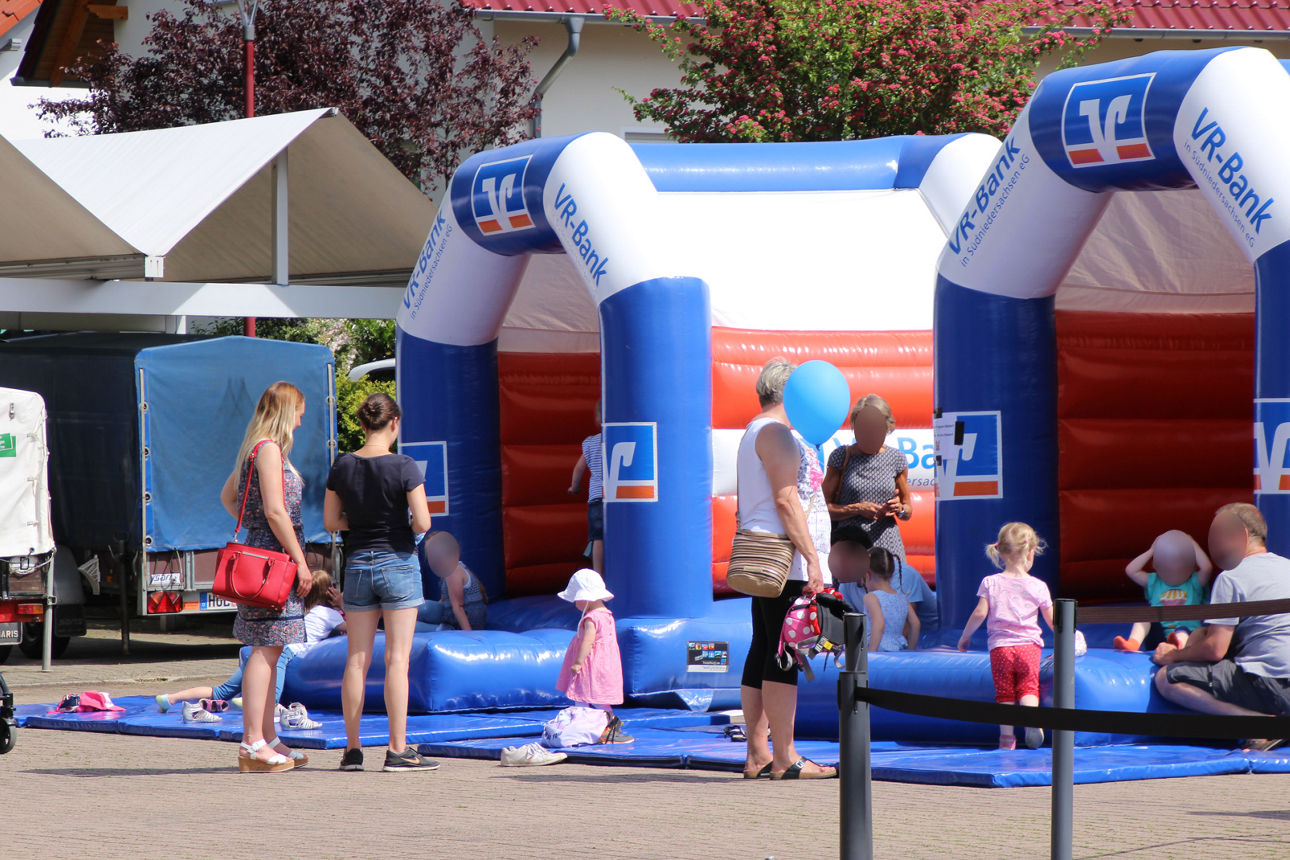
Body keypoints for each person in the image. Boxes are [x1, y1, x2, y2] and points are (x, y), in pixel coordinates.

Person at [324, 392, 438, 773]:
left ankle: (352, 750)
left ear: (362, 424)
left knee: (356, 660)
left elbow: (330, 521)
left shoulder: (342, 465)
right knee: (396, 660)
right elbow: (423, 523)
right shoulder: (405, 466)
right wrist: (396, 524)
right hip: (398, 562)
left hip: (357, 564)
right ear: (394, 424)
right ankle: (397, 749)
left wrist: (360, 524)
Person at [737, 358, 836, 780]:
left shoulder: (754, 430)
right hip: (785, 560)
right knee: (782, 653)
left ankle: (759, 752)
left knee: (764, 646)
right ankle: (785, 756)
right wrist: (813, 557)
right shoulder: (776, 433)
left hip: (767, 558)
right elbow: (785, 499)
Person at [219, 381, 314, 773]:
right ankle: (252, 742)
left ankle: (266, 735)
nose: (300, 422)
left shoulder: (254, 449)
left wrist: (254, 528)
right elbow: (277, 512)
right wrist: (300, 560)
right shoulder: (270, 450)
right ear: (286, 412)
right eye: (299, 414)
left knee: (270, 649)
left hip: (264, 556)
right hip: (273, 563)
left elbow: (229, 498)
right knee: (264, 649)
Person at [1153, 503, 1290, 751]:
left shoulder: (1231, 576)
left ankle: (1259, 724)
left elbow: (1216, 649)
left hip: (1272, 685)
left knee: (1167, 679)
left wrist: (1172, 656)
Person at [155, 571, 345, 736]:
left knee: (222, 691)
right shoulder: (328, 614)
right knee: (272, 699)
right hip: (282, 653)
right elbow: (357, 630)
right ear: (328, 592)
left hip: (260, 649)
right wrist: (342, 603)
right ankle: (246, 701)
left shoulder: (300, 610)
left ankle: (171, 698)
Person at [957, 522, 1055, 751]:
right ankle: (1031, 722)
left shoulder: (990, 582)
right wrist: (1068, 635)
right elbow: (1051, 619)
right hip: (1029, 647)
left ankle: (1006, 738)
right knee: (1029, 688)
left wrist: (965, 636)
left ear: (999, 551)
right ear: (1030, 552)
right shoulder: (1038, 586)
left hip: (1000, 647)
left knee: (1005, 692)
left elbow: (980, 613)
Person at [822, 394, 912, 560]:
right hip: (850, 545)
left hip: (887, 547)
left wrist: (899, 509)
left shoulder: (896, 458)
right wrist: (856, 509)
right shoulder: (841, 456)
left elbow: (907, 510)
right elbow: (823, 509)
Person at [555, 568, 631, 743]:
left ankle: (580, 728)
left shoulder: (591, 618)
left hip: (590, 666)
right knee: (599, 698)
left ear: (586, 597)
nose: (575, 604)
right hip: (604, 665)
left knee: (581, 696)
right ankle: (609, 728)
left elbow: (588, 642)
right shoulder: (607, 616)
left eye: (577, 599)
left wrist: (577, 663)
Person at [1114, 530, 1214, 652]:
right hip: (1159, 635)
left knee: (1183, 630)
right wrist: (1152, 550)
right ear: (1157, 566)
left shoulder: (1194, 583)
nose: (1173, 570)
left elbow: (1207, 568)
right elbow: (1131, 570)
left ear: (1190, 566)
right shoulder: (1154, 581)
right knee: (1144, 615)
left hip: (1186, 637)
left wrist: (1192, 543)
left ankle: (1177, 646)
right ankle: (1133, 643)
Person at [416, 531, 487, 631]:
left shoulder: (453, 572)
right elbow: (445, 599)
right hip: (452, 616)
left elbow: (458, 607)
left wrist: (470, 635)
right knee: (420, 608)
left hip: (462, 625)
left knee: (411, 627)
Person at [568, 401, 604, 573]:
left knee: (598, 538)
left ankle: (598, 573)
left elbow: (579, 468)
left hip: (597, 498)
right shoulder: (624, 439)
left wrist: (574, 487)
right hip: (619, 496)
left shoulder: (591, 443)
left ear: (598, 418)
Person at [863, 548, 919, 652]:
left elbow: (879, 623)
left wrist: (871, 653)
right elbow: (915, 624)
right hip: (899, 647)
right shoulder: (902, 598)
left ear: (867, 575)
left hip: (878, 647)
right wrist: (911, 651)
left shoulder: (871, 597)